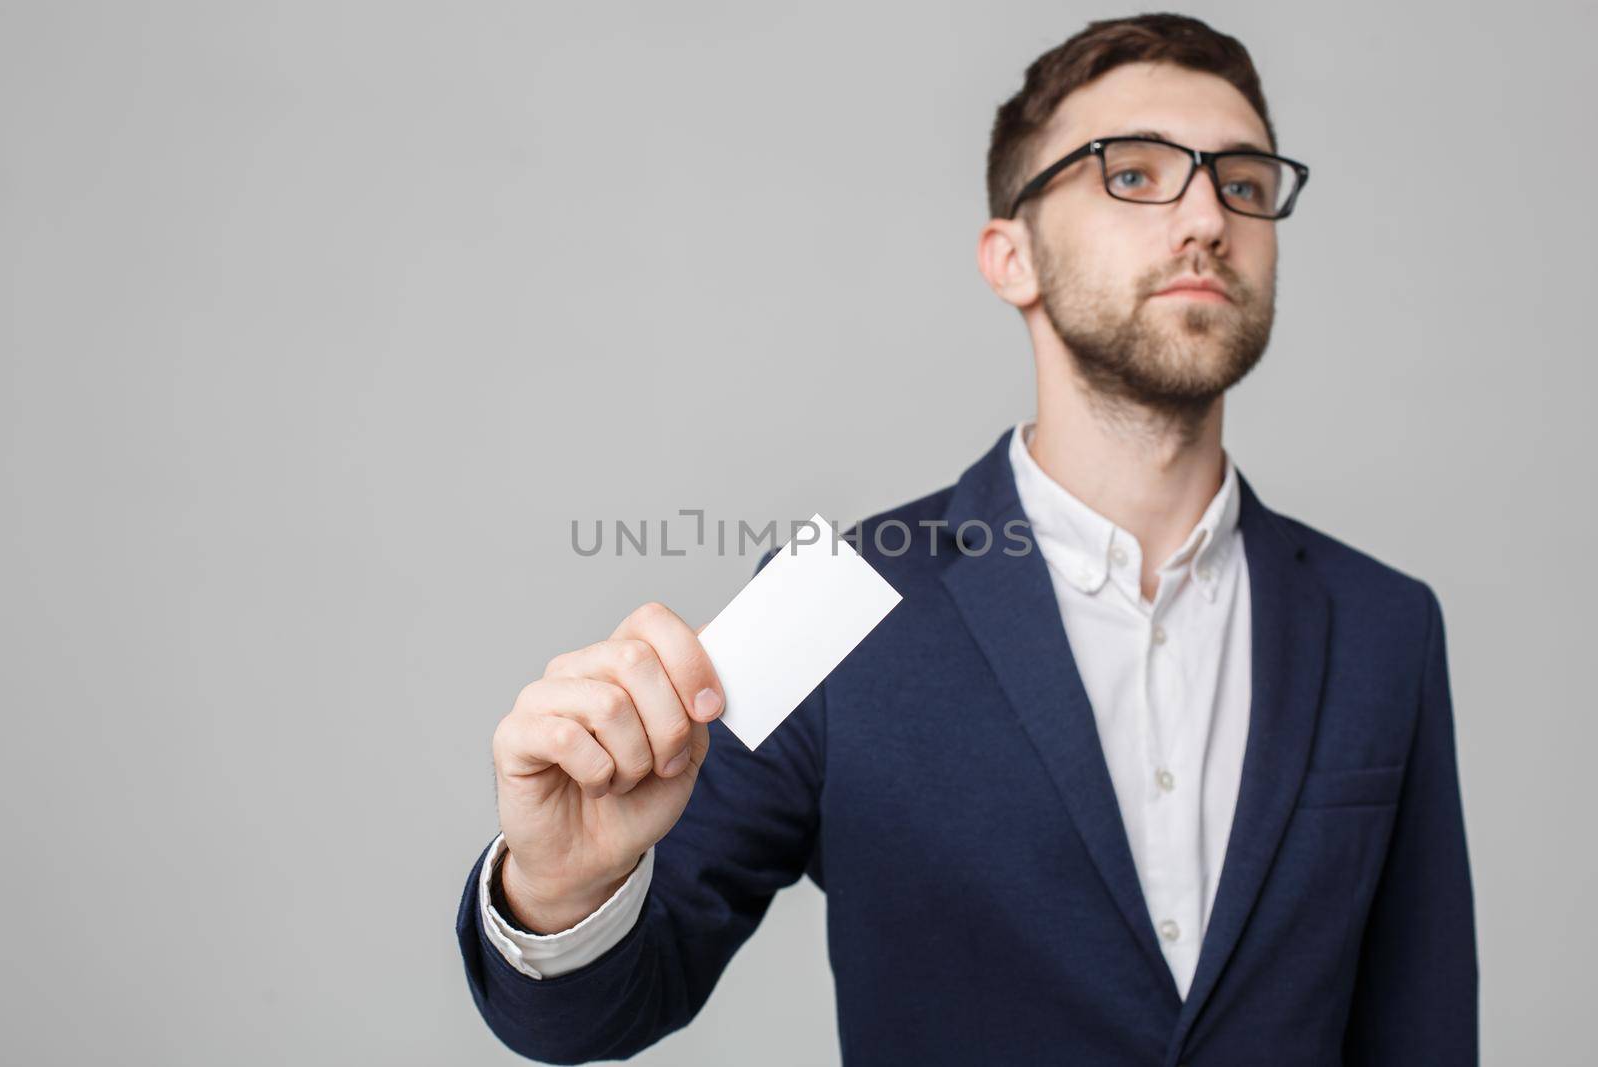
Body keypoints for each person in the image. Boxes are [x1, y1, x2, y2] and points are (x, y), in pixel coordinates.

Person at [456, 13, 1478, 1065]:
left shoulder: (1383, 623)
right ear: (1011, 257)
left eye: (1244, 183)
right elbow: (594, 1010)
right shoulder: (833, 593)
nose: (1207, 218)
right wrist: (559, 886)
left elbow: (1422, 1024)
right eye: (1132, 175)